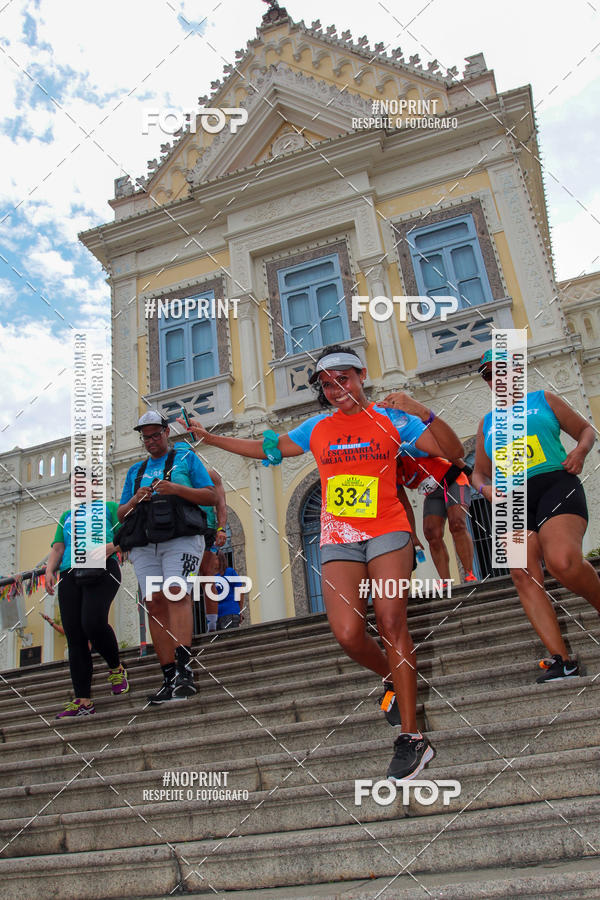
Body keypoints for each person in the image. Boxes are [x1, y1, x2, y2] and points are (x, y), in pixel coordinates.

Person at [180, 344, 464, 782]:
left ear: (361, 375)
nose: (336, 390)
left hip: (387, 528)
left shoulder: (393, 419)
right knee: (348, 633)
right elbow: (264, 448)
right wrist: (210, 438)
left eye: (343, 379)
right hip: (338, 538)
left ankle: (412, 738)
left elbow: (453, 450)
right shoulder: (318, 427)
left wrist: (420, 409)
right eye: (327, 385)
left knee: (391, 622)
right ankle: (396, 675)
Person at [472, 349, 600, 682]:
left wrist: (580, 452)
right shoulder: (486, 423)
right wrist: (486, 491)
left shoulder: (543, 399)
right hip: (512, 500)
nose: (496, 380)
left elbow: (586, 430)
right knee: (522, 573)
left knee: (563, 562)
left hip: (554, 484)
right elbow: (478, 474)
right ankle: (561, 659)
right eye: (489, 375)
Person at [117, 411, 216, 703]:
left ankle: (185, 668)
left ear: (166, 432)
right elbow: (121, 514)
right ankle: (169, 674)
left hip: (182, 538)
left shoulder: (185, 459)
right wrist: (136, 499)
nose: (151, 441)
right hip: (146, 543)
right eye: (145, 437)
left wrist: (175, 489)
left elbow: (211, 495)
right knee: (154, 601)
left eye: (155, 434)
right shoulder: (135, 471)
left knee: (175, 592)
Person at [45, 496, 128, 718]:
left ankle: (116, 668)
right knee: (75, 635)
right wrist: (49, 570)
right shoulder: (67, 515)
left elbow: (128, 536)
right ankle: (83, 700)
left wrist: (107, 548)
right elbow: (58, 548)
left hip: (102, 567)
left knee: (92, 622)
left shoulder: (110, 508)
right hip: (69, 573)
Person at [396, 452, 477, 582]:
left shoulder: (409, 450)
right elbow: (405, 506)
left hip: (453, 480)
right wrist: (414, 536)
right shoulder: (391, 473)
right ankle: (445, 581)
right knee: (431, 533)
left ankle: (469, 574)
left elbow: (444, 449)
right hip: (433, 492)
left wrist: (466, 468)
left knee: (457, 523)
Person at [199, 468, 228, 632]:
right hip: (182, 531)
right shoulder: (171, 473)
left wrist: (221, 529)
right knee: (184, 579)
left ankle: (212, 625)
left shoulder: (209, 474)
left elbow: (221, 503)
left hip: (205, 528)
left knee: (207, 575)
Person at [203, 550, 243, 632]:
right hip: (214, 618)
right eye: (210, 559)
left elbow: (240, 591)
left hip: (230, 613)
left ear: (221, 560)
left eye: (215, 559)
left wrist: (240, 611)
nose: (213, 562)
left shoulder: (229, 572)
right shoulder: (207, 577)